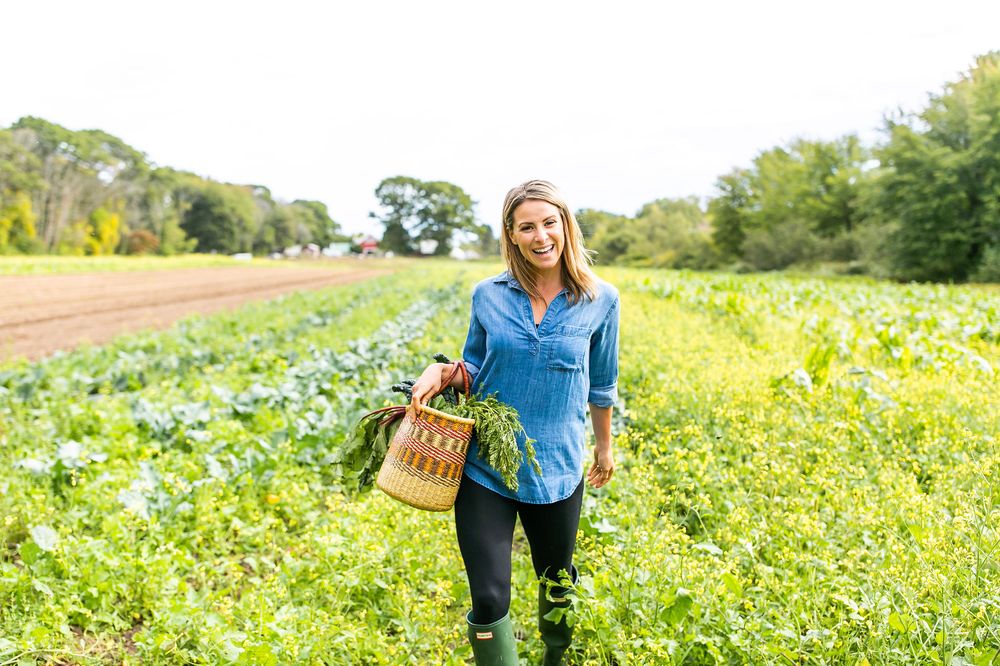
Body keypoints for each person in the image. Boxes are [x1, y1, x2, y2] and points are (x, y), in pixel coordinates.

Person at [410, 180, 620, 665]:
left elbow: (603, 383)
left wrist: (604, 448)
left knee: (557, 581)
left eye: (550, 222)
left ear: (565, 226)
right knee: (487, 597)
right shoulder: (488, 295)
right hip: (486, 465)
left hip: (557, 465)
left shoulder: (601, 300)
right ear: (512, 234)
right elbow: (475, 370)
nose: (540, 235)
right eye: (527, 226)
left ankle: (554, 658)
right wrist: (440, 372)